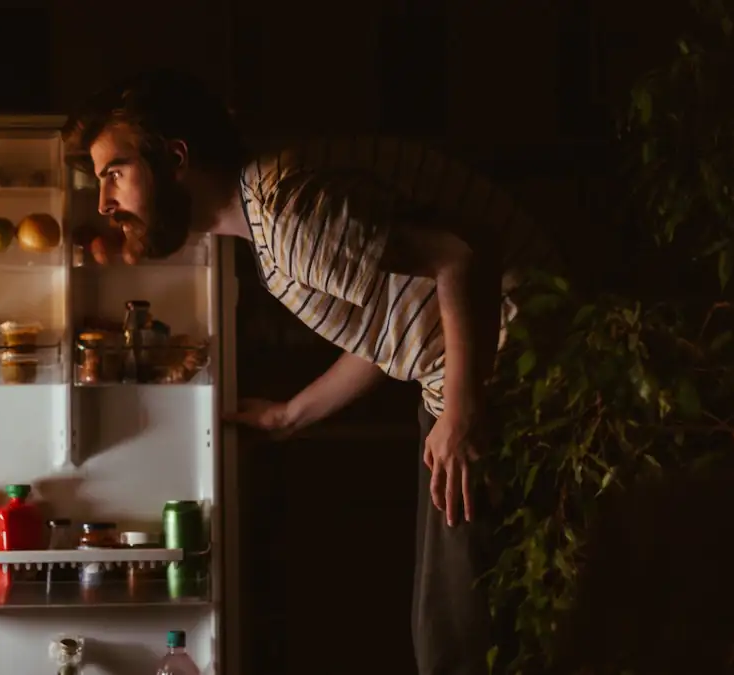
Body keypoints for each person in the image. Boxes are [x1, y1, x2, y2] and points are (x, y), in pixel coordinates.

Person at [62, 68, 561, 675]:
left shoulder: (288, 218)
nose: (104, 202)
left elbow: (459, 256)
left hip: (514, 364)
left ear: (175, 159)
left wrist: (460, 411)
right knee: (448, 628)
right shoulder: (271, 214)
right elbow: (393, 324)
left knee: (459, 641)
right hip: (479, 368)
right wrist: (290, 413)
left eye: (114, 173)